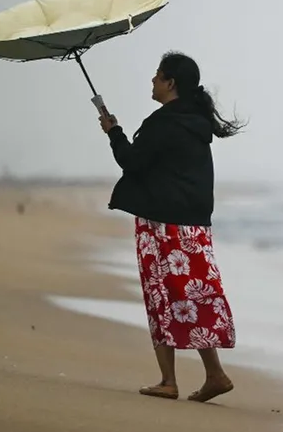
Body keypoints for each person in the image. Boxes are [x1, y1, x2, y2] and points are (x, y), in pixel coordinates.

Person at [98, 50, 244, 403]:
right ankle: (215, 374)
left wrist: (113, 131)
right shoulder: (196, 122)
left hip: (161, 223)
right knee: (193, 295)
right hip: (194, 226)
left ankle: (168, 381)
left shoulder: (163, 123)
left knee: (161, 295)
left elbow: (132, 161)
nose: (152, 81)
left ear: (171, 83)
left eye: (157, 75)